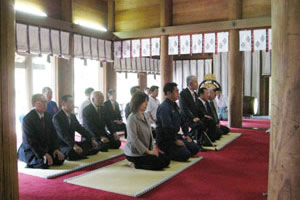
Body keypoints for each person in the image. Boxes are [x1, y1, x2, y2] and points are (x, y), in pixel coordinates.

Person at [17, 94, 65, 169]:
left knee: (60, 159)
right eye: (42, 102)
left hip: (45, 147)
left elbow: (53, 135)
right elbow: (31, 141)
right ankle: (30, 163)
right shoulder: (28, 119)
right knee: (44, 163)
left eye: (46, 102)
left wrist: (56, 149)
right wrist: (43, 154)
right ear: (34, 104)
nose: (45, 104)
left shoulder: (48, 116)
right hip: (31, 150)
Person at [125, 92, 170, 170]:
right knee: (159, 164)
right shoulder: (131, 118)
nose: (146, 104)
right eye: (144, 102)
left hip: (147, 149)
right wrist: (148, 152)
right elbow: (134, 139)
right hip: (135, 153)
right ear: (137, 102)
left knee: (166, 160)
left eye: (147, 102)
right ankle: (135, 164)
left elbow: (150, 134)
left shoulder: (146, 115)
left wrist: (153, 148)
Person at [156, 82, 199, 162]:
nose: (178, 93)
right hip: (166, 140)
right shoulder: (164, 107)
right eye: (176, 91)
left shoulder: (175, 105)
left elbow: (183, 121)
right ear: (169, 93)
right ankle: (167, 153)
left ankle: (179, 148)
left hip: (175, 136)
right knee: (185, 155)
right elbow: (167, 128)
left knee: (195, 149)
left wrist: (187, 135)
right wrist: (175, 141)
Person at [53, 95, 99, 161]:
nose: (73, 104)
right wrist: (73, 145)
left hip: (73, 142)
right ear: (63, 104)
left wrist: (91, 139)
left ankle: (81, 153)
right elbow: (63, 135)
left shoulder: (72, 116)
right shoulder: (57, 117)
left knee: (92, 144)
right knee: (71, 152)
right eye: (70, 102)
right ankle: (80, 153)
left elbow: (80, 129)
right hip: (63, 145)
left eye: (73, 102)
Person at [179, 75, 205, 150]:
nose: (197, 84)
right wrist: (193, 118)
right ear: (190, 84)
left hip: (194, 117)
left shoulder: (195, 94)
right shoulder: (183, 93)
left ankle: (198, 141)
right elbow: (184, 108)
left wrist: (202, 116)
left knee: (203, 121)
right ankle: (192, 139)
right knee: (199, 124)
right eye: (195, 82)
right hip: (186, 118)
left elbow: (197, 108)